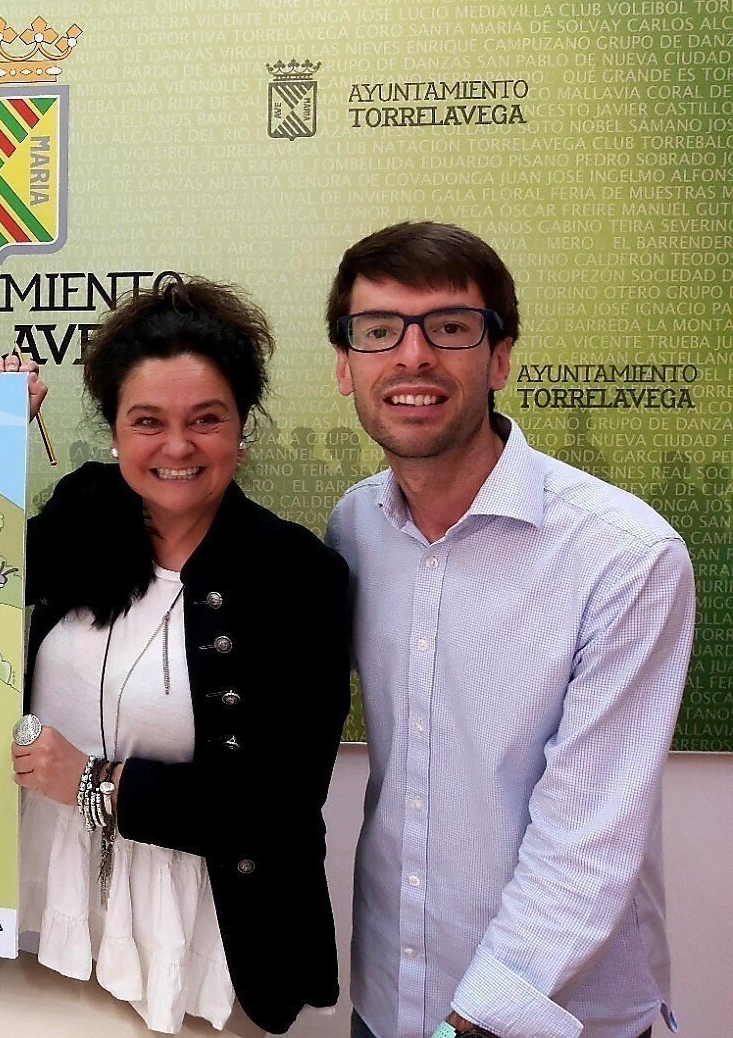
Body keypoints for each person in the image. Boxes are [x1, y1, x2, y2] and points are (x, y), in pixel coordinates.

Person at [325, 221, 695, 1038]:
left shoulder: (624, 556)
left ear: (499, 359)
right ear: (345, 367)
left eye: (450, 328)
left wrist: (469, 1024)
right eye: (378, 330)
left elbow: (585, 844)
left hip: (556, 1018)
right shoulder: (354, 528)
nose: (413, 357)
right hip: (386, 1001)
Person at [9, 278, 351, 1034]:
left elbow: (279, 804)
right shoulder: (86, 510)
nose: (176, 447)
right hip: (48, 910)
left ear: (242, 426)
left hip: (203, 942)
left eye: (206, 419)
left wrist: (95, 784)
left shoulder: (297, 574)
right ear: (114, 430)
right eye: (147, 422)